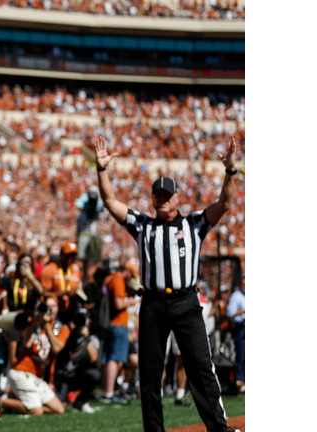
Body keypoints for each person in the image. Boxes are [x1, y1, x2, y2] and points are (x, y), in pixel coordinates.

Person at [93, 135, 240, 432]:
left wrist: (230, 171)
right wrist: (102, 169)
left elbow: (224, 203)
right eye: (157, 195)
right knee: (149, 373)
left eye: (166, 195)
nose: (161, 199)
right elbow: (110, 202)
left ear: (177, 199)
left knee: (200, 368)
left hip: (186, 302)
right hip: (153, 304)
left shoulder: (194, 224)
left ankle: (219, 429)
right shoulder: (142, 225)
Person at [1, 297, 66, 416]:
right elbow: (26, 343)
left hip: (37, 377)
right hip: (21, 372)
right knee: (37, 411)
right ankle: (0, 401)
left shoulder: (60, 328)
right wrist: (36, 322)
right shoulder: (32, 322)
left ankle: (18, 400)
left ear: (58, 308)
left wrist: (46, 326)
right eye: (46, 306)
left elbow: (56, 348)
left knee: (59, 409)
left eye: (53, 306)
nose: (49, 309)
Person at [100, 265, 138, 404]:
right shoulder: (118, 280)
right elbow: (118, 304)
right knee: (114, 359)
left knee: (110, 358)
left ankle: (108, 391)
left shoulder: (109, 278)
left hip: (110, 323)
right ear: (126, 271)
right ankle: (109, 392)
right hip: (118, 323)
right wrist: (131, 301)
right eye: (131, 274)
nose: (130, 278)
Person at [52, 309, 100, 414]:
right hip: (63, 376)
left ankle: (81, 402)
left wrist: (86, 338)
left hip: (78, 376)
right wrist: (70, 333)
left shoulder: (91, 337)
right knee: (56, 405)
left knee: (94, 374)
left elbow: (93, 358)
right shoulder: (64, 330)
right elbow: (56, 349)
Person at [40, 242, 83, 324]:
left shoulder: (75, 271)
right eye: (67, 255)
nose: (70, 258)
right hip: (53, 313)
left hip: (70, 312)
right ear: (61, 254)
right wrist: (62, 293)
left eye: (73, 255)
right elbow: (44, 294)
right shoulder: (49, 269)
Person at [226, 274, 245, 393]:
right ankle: (240, 380)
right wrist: (244, 311)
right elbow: (230, 313)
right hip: (240, 328)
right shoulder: (236, 296)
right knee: (241, 355)